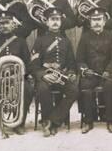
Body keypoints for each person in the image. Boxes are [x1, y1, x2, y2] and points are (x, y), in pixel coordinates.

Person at [30, 7, 79, 137]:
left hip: (61, 77)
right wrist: (43, 75)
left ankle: (53, 121)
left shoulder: (66, 41)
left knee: (74, 90)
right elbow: (34, 64)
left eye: (57, 19)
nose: (55, 22)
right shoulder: (40, 40)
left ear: (61, 22)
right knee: (42, 90)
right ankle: (46, 120)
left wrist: (72, 73)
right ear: (47, 22)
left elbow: (71, 63)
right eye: (52, 19)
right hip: (45, 77)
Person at [76, 7, 112, 134]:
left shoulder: (111, 36)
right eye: (94, 20)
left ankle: (110, 121)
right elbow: (79, 59)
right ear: (90, 22)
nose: (96, 22)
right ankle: (88, 121)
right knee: (85, 86)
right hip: (91, 74)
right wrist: (85, 69)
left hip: (106, 74)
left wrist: (109, 70)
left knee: (110, 85)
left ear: (104, 21)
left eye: (99, 19)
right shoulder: (85, 37)